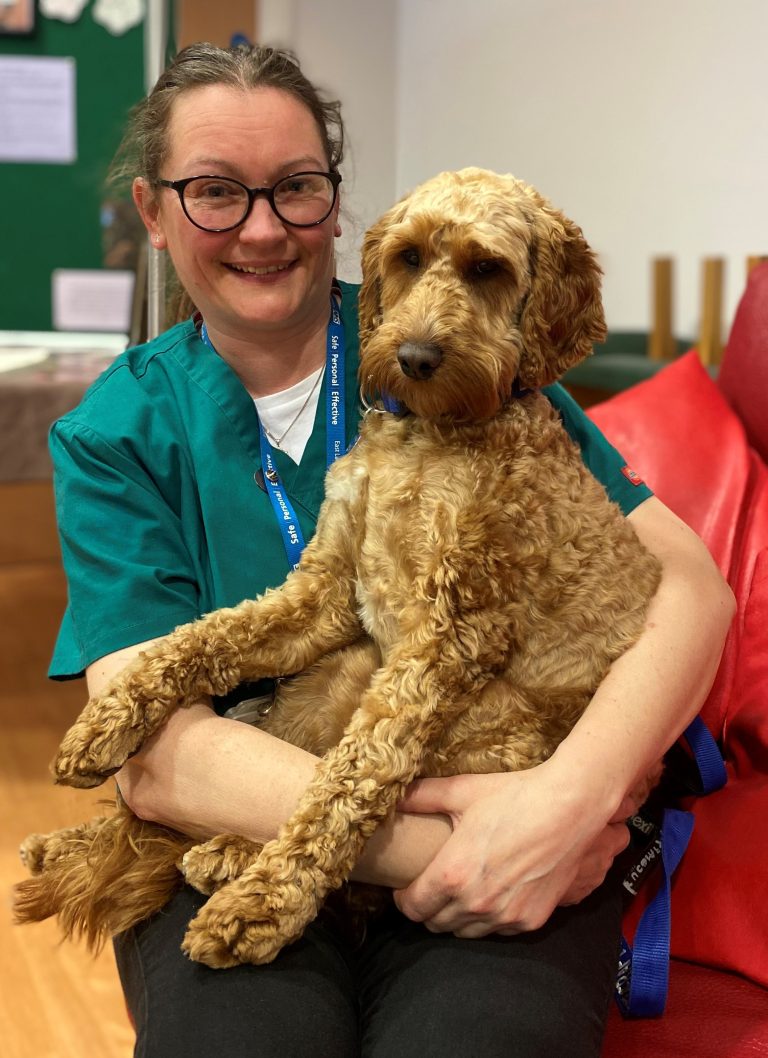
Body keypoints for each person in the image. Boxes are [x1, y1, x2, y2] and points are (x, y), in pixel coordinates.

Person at [48, 42, 734, 1058]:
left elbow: (692, 589)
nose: (264, 228)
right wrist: (444, 843)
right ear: (153, 211)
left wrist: (567, 802)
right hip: (257, 819)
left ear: (336, 201)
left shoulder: (467, 349)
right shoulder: (116, 431)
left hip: (515, 788)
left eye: (296, 187)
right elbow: (151, 753)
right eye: (216, 193)